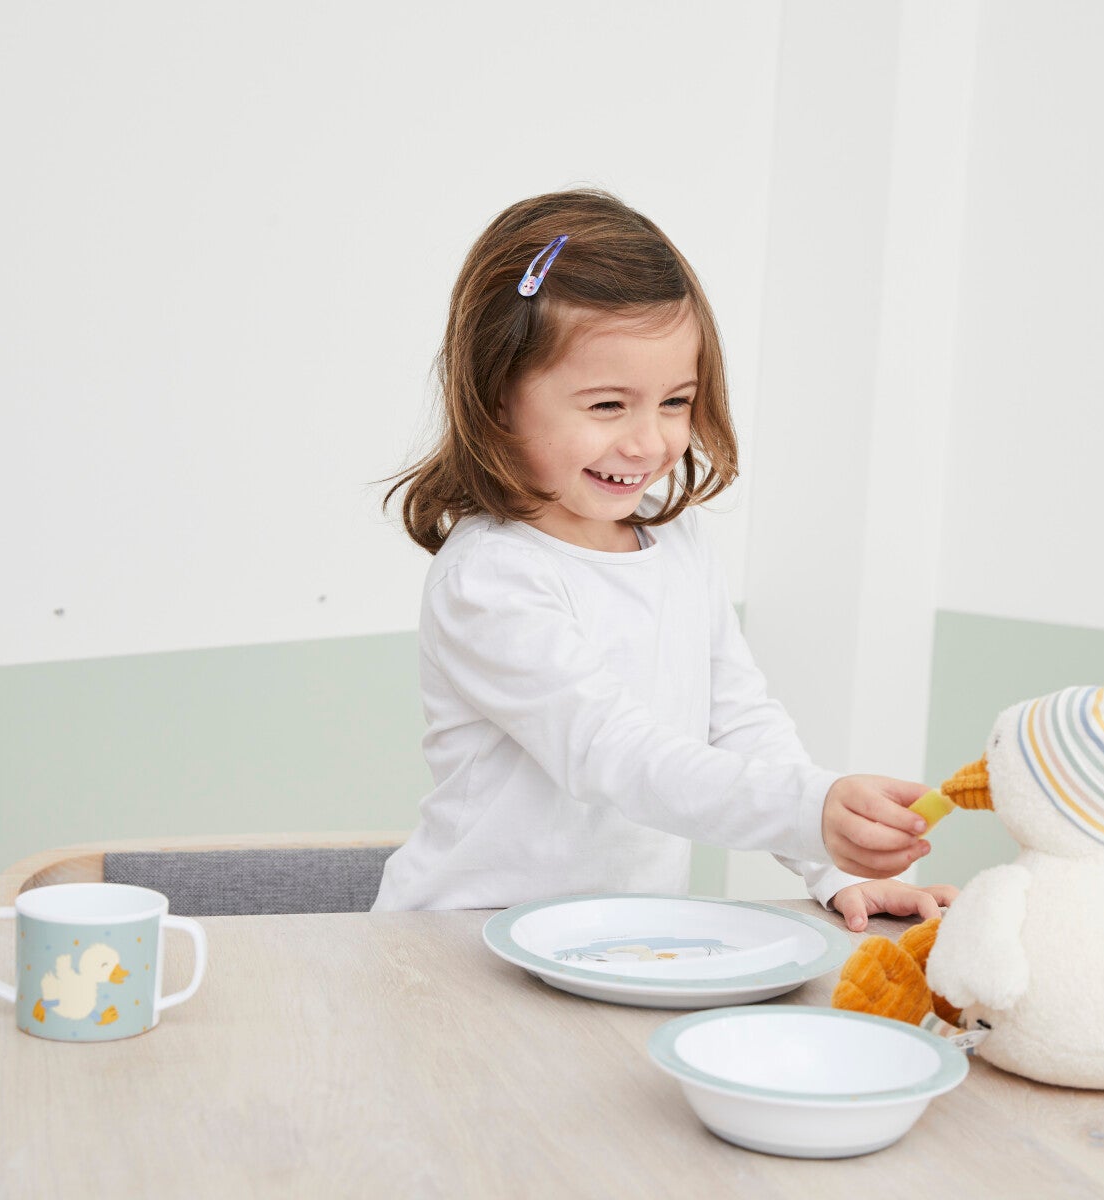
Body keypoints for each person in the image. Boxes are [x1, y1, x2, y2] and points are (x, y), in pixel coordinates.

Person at [372, 188, 955, 931]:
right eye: (607, 406)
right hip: (459, 941)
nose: (648, 442)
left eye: (675, 402)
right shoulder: (489, 578)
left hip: (617, 941)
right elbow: (613, 754)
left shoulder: (676, 543)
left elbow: (738, 719)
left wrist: (832, 862)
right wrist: (809, 811)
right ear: (497, 399)